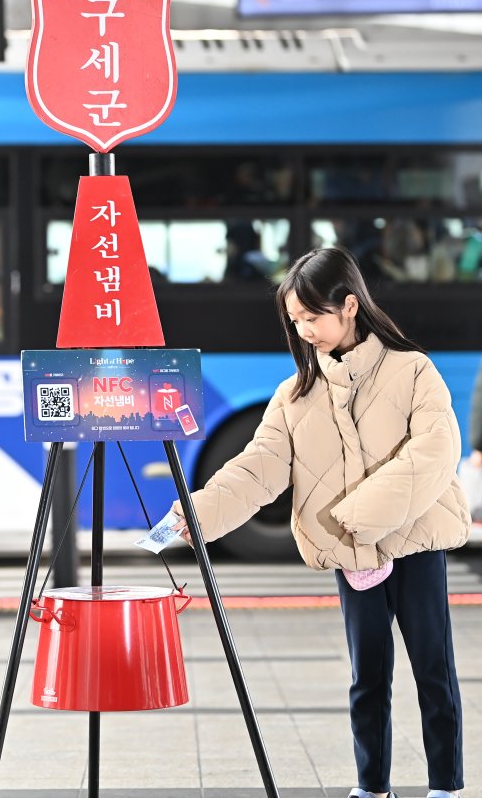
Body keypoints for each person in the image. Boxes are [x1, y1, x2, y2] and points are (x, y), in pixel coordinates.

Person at [172, 246, 469, 798]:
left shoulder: (413, 370)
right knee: (367, 677)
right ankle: (371, 787)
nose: (304, 330)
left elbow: (435, 451)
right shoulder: (295, 396)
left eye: (313, 316)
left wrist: (358, 516)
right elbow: (259, 468)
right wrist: (197, 514)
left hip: (415, 544)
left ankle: (445, 787)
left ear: (350, 305)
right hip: (352, 556)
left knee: (433, 671)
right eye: (295, 320)